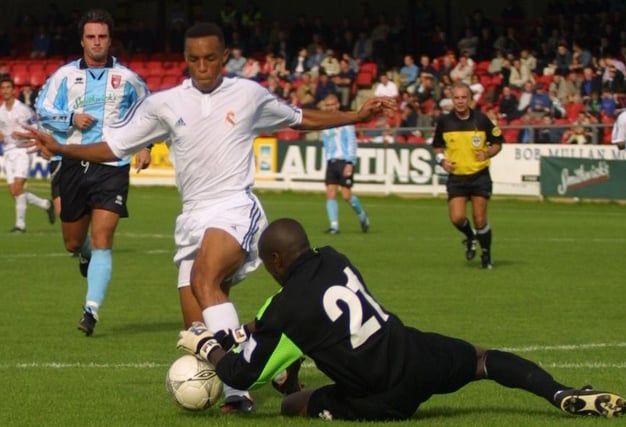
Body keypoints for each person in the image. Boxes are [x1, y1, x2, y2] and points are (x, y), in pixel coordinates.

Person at [22, 21, 396, 413]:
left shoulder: (248, 94)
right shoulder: (164, 104)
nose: (203, 66)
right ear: (186, 60)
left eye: (211, 59)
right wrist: (62, 147)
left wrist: (355, 116)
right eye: (195, 59)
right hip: (192, 218)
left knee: (204, 278)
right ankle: (280, 361)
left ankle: (239, 391)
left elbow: (299, 117)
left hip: (234, 206)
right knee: (199, 328)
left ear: (223, 58)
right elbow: (112, 146)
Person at [176, 217, 626, 421]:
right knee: (482, 360)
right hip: (413, 354)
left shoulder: (285, 307)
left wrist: (206, 344)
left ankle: (300, 394)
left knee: (294, 406)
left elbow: (238, 372)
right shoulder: (334, 257)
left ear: (275, 260)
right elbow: (311, 322)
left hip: (379, 398)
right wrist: (255, 333)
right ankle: (561, 393)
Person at [34, 9, 151, 336]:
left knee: (103, 239)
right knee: (73, 242)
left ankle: (91, 311)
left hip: (112, 165)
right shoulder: (64, 76)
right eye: (91, 37)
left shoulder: (129, 79)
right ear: (82, 40)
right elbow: (42, 111)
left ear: (110, 40)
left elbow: (151, 114)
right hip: (71, 162)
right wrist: (71, 119)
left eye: (102, 37)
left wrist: (146, 146)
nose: (97, 42)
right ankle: (82, 254)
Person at [432, 82, 503, 269]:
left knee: (480, 219)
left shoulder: (481, 119)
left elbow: (497, 142)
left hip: (479, 176)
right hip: (456, 177)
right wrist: (441, 160)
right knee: (456, 218)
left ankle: (486, 255)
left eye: (464, 97)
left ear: (470, 99)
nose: (460, 101)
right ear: (452, 99)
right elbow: (437, 146)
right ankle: (470, 237)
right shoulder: (445, 122)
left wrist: (487, 153)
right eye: (457, 98)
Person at [0, 76, 55, 233]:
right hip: (8, 151)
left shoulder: (23, 109)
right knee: (14, 192)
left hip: (23, 151)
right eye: (2, 88)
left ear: (13, 90)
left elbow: (36, 127)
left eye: (8, 87)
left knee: (18, 187)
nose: (5, 91)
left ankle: (20, 226)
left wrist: (28, 137)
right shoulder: (1, 111)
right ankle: (46, 204)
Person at [320, 93, 369, 235]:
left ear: (337, 105)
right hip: (331, 162)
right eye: (327, 105)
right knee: (330, 193)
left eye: (332, 105)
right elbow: (326, 143)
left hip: (344, 161)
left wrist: (350, 163)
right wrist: (327, 159)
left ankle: (362, 215)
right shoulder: (324, 123)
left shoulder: (346, 121)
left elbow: (352, 143)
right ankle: (334, 226)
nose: (330, 108)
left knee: (346, 196)